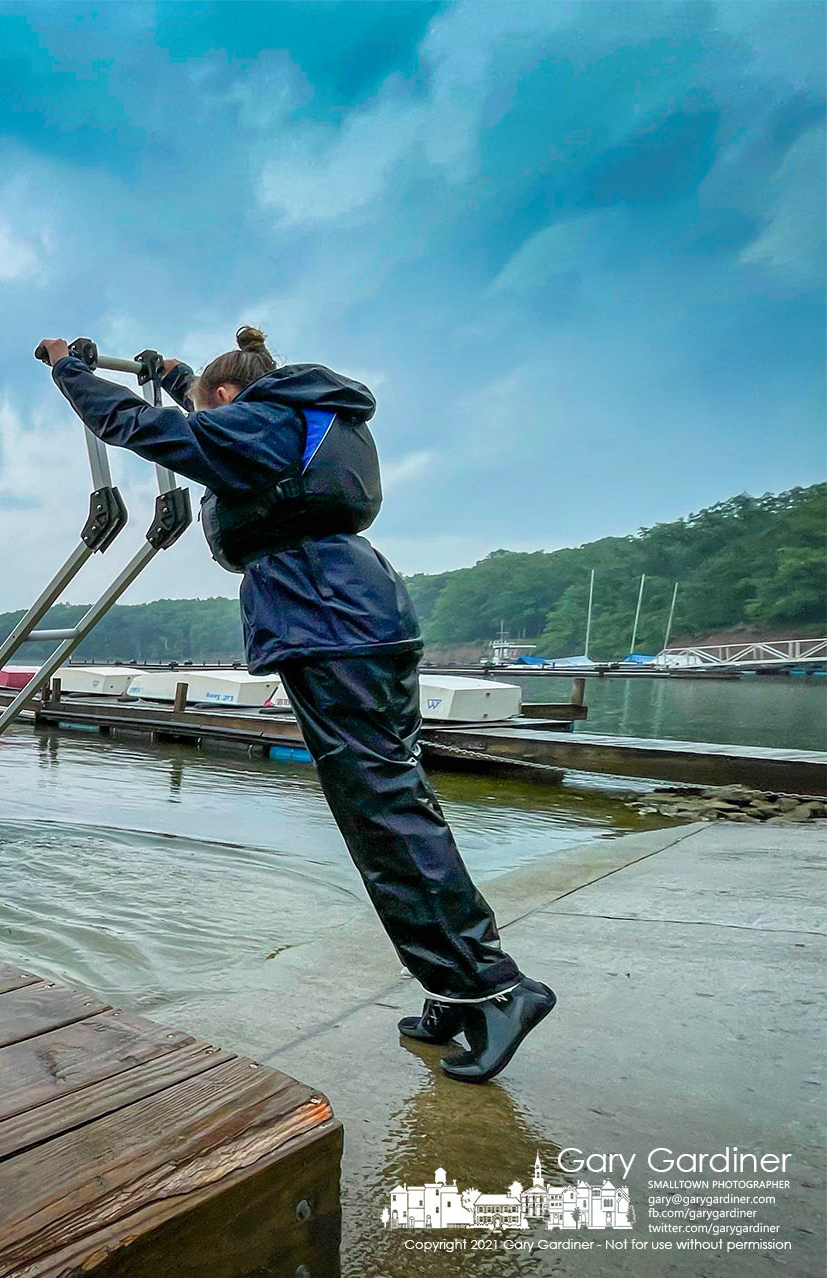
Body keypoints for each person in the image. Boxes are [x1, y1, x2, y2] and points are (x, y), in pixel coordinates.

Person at [37, 326, 554, 1085]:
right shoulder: (305, 416)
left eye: (209, 398)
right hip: (352, 613)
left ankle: (496, 988)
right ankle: (451, 985)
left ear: (227, 394)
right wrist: (179, 372)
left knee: (383, 810)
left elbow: (146, 429)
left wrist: (70, 374)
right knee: (392, 805)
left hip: (329, 622)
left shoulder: (269, 419)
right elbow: (214, 418)